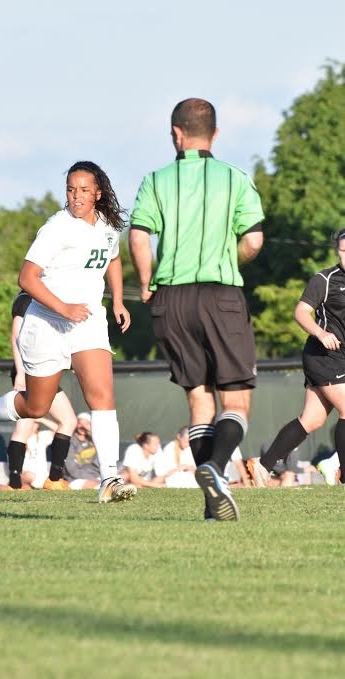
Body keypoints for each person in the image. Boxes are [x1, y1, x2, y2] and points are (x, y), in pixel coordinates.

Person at [0, 161, 136, 503]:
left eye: (84, 190)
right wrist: (63, 308)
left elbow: (113, 259)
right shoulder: (57, 228)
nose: (76, 196)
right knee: (35, 406)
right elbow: (26, 278)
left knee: (102, 395)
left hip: (87, 322)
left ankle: (109, 478)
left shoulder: (107, 225)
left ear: (98, 193)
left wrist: (118, 299)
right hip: (46, 323)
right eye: (71, 189)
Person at [129, 98, 264, 520]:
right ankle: (215, 467)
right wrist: (231, 257)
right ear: (216, 134)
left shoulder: (156, 179)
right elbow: (255, 241)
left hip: (172, 300)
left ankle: (213, 505)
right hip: (221, 296)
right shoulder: (236, 178)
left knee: (200, 404)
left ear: (176, 133)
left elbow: (138, 237)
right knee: (236, 403)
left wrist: (147, 282)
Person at [253, 229, 345, 486]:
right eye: (342, 249)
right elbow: (302, 312)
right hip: (323, 355)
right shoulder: (324, 279)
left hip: (342, 359)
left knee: (312, 419)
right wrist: (320, 332)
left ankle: (262, 466)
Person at [7, 288, 77, 490]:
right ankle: (15, 484)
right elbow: (16, 336)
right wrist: (20, 372)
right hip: (29, 370)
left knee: (68, 421)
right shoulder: (27, 296)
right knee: (25, 426)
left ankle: (54, 479)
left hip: (46, 370)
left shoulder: (53, 296)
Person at [63, 412, 101, 489]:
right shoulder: (70, 441)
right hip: (74, 479)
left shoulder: (93, 441)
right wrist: (94, 479)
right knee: (101, 486)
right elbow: (72, 470)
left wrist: (92, 432)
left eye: (86, 424)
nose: (82, 427)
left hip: (95, 476)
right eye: (80, 424)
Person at [21, 419, 58, 490]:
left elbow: (58, 429)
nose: (32, 425)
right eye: (30, 422)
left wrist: (42, 419)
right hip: (26, 476)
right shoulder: (19, 439)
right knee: (27, 477)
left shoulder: (42, 436)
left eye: (35, 423)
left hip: (43, 476)